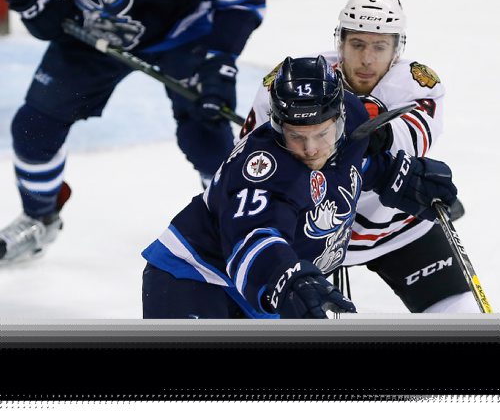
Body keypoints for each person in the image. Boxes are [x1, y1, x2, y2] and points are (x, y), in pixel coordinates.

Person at [0, 0, 265, 264]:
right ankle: (39, 220)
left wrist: (221, 62)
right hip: (92, 36)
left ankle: (237, 235)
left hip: (179, 38)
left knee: (206, 138)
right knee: (33, 128)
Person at [141, 56, 458, 319]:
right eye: (296, 135)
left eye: (321, 134)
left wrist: (399, 176)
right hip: (196, 279)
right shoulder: (262, 169)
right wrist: (287, 278)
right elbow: (253, 237)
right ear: (277, 123)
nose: (310, 149)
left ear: (340, 117)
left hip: (264, 294)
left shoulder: (350, 120)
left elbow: (355, 163)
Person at [241, 0, 479, 313]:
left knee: (460, 312)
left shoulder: (415, 84)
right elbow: (250, 160)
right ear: (340, 44)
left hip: (395, 226)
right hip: (311, 232)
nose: (367, 59)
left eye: (379, 47)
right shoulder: (292, 81)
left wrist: (370, 132)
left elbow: (408, 138)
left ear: (397, 50)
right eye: (358, 45)